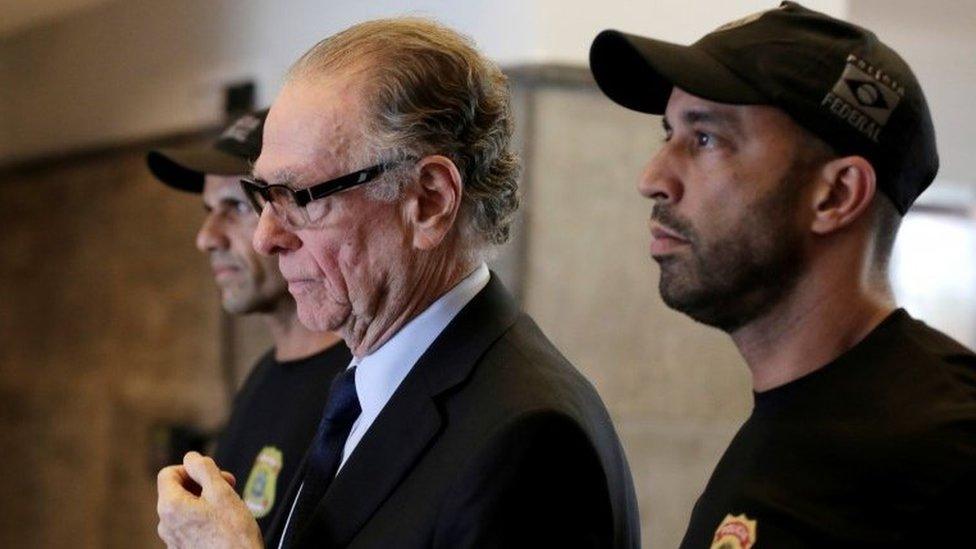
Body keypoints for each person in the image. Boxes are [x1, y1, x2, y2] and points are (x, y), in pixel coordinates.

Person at [155, 17, 641, 549]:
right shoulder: (365, 386)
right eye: (263, 196)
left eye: (300, 198)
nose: (266, 237)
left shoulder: (529, 438)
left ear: (429, 200)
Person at [590, 1, 976, 546]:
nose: (652, 178)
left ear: (836, 195)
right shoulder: (785, 423)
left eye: (706, 139)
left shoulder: (947, 447)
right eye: (668, 134)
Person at [146, 110, 351, 534]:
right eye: (208, 209)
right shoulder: (264, 376)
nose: (206, 237)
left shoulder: (359, 389)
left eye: (236, 207)